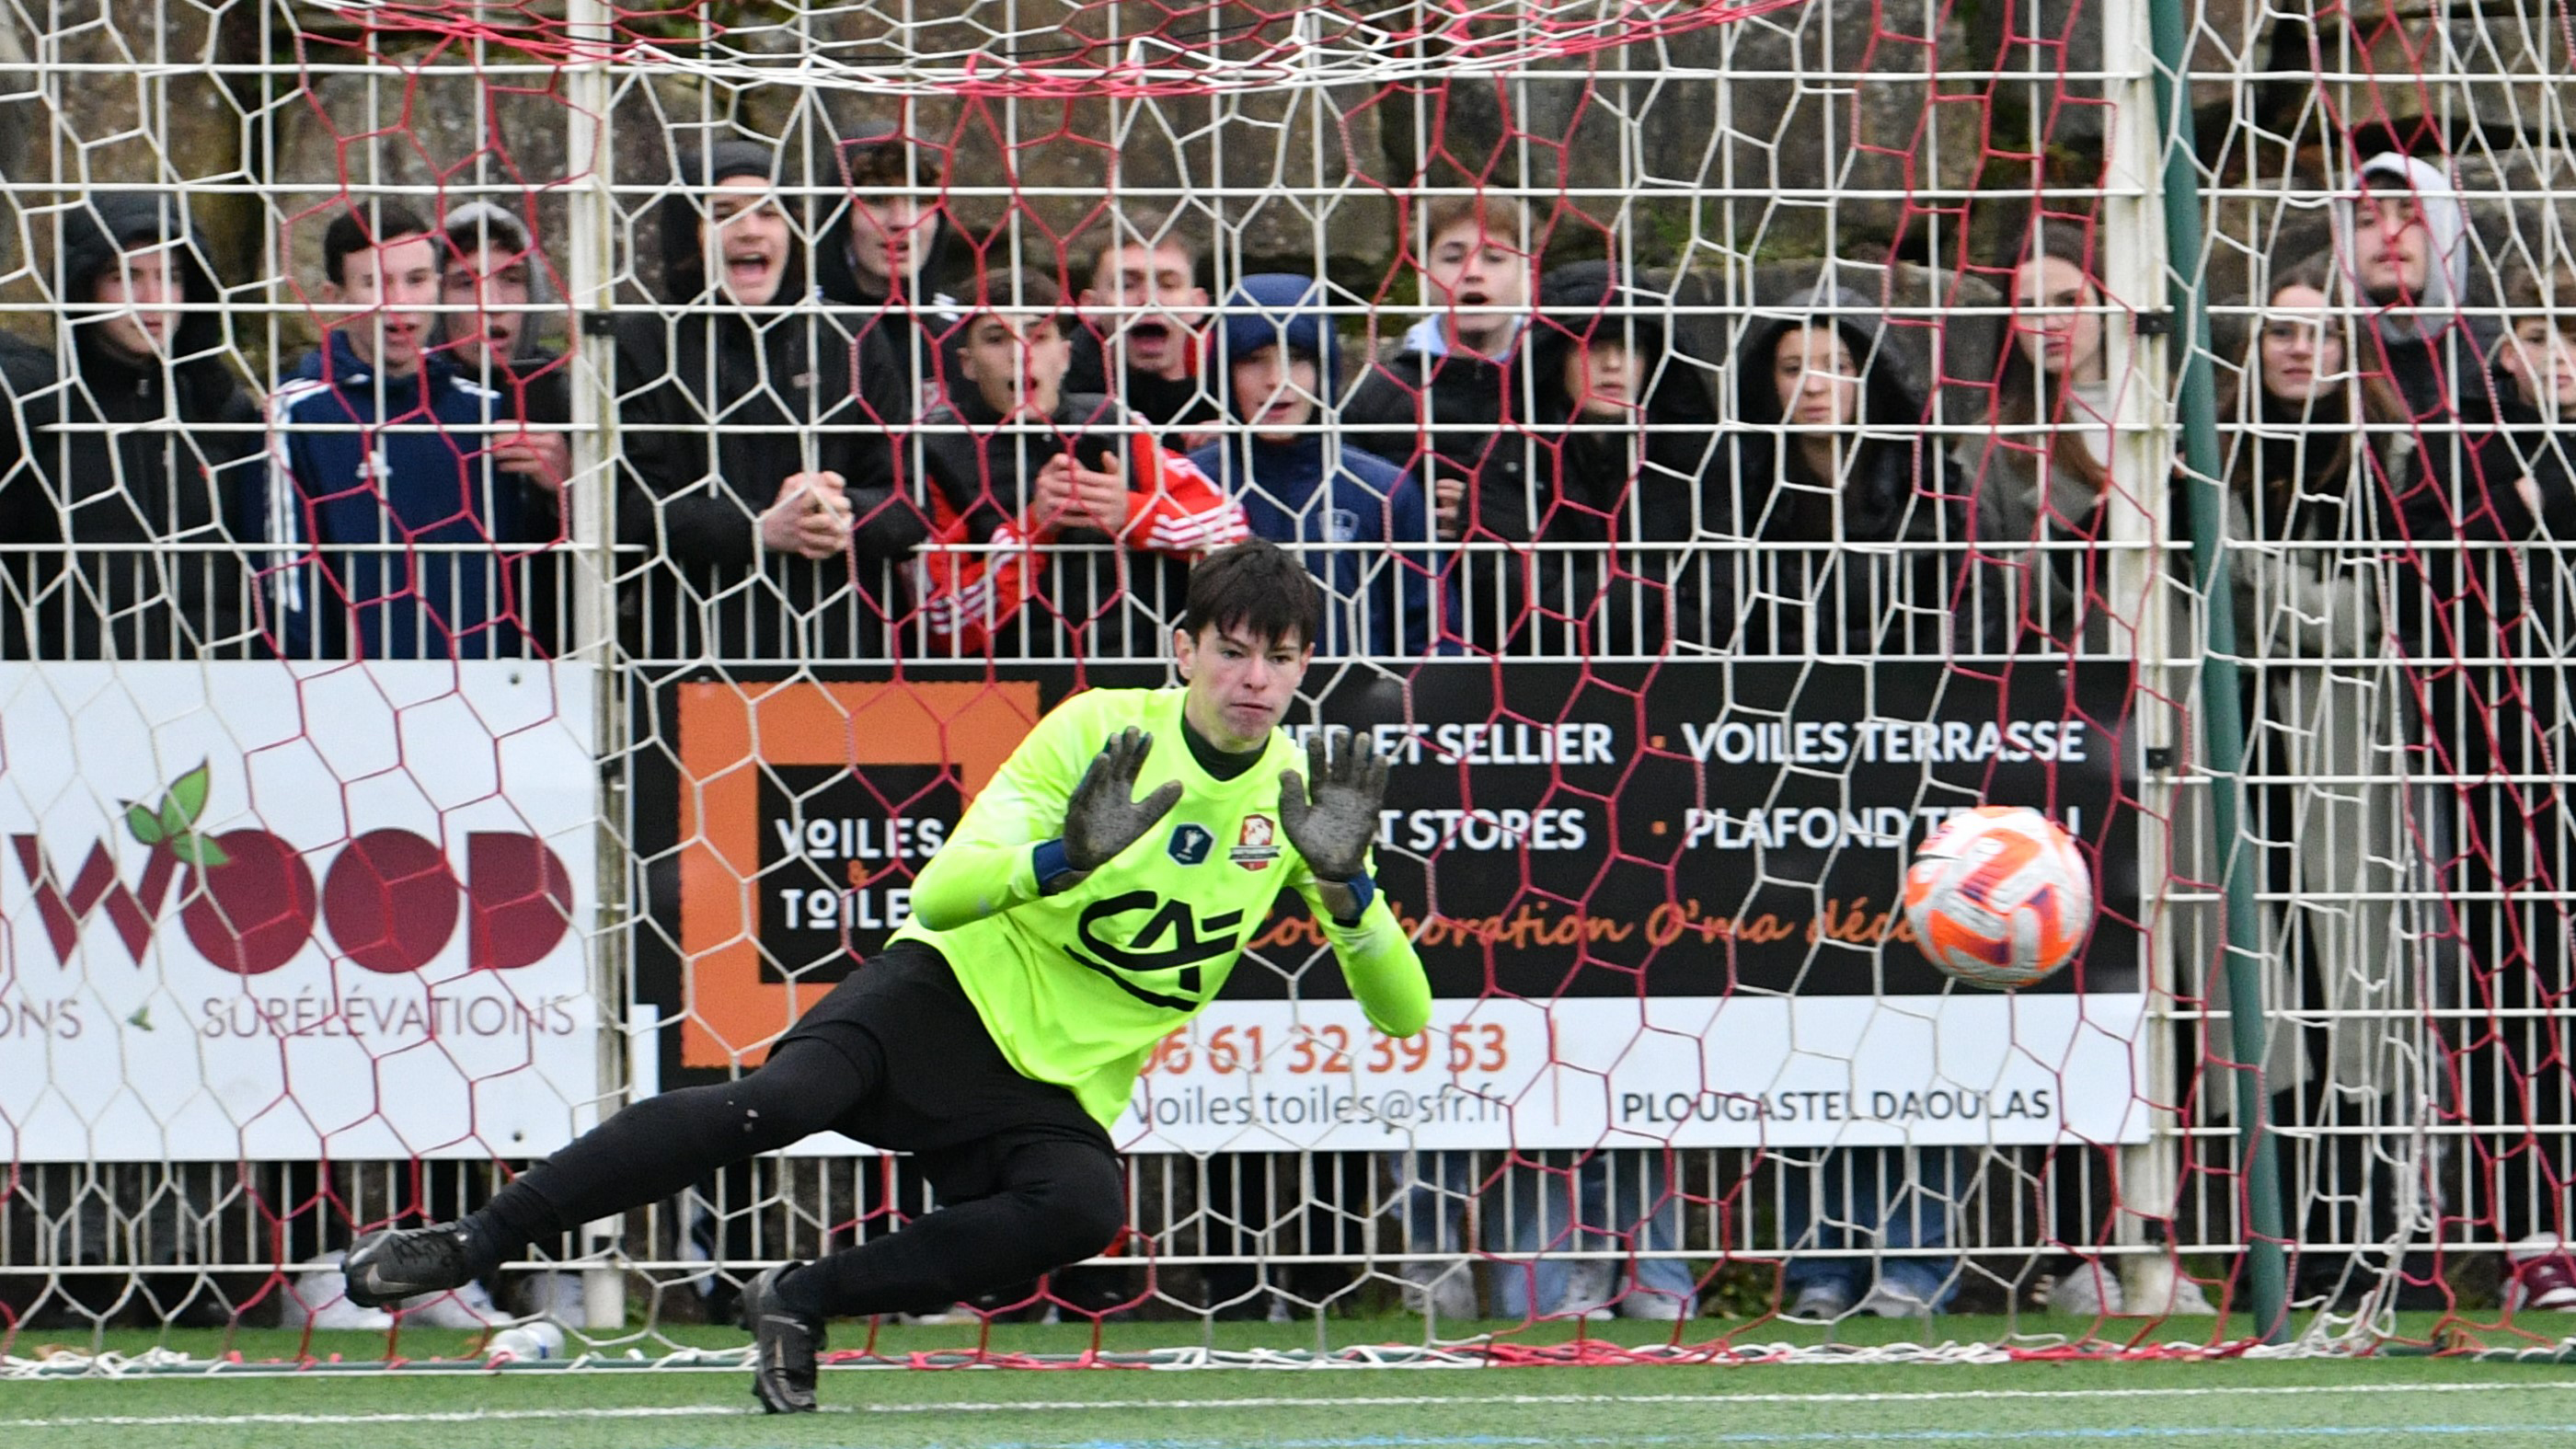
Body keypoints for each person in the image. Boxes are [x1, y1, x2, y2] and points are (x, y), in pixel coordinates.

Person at [338, 538, 1432, 1412]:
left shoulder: (1304, 799)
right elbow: (940, 897)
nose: (1255, 678)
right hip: (944, 997)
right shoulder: (1101, 735)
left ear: (1303, 667)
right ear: (1182, 647)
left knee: (1084, 1207)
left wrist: (1347, 892)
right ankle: (472, 1241)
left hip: (1054, 1085)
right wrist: (1068, 857)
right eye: (1233, 648)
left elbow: (1402, 1016)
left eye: (1280, 657)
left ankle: (802, 1299)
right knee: (778, 1102)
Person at [2217, 256, 2430, 1309]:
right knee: (2271, 1007)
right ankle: (2282, 1239)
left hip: (2348, 764)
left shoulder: (2385, 459)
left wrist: (2257, 581)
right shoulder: (2212, 463)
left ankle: (2373, 1239)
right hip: (2242, 762)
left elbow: (2361, 618)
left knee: (2358, 1003)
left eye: (2321, 334)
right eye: (2280, 334)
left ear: (2351, 351)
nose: (2301, 351)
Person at [615, 138, 921, 661]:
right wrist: (759, 529)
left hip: (843, 646)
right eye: (725, 213)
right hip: (694, 652)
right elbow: (628, 509)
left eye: (770, 212)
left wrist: (842, 514)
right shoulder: (642, 344)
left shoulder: (849, 338)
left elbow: (908, 502)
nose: (750, 229)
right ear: (687, 232)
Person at [264, 201, 554, 660]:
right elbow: (284, 589)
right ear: (334, 297)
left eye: (416, 280)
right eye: (375, 282)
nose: (399, 302)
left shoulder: (484, 411)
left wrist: (566, 488)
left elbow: (530, 577)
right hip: (344, 702)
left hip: (485, 698)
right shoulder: (297, 413)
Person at [911, 268, 1248, 658]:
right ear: (967, 364)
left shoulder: (1115, 425)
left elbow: (1231, 528)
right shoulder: (937, 451)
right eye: (996, 338)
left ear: (1066, 355)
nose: (1021, 353)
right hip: (1005, 695)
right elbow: (942, 624)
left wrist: (1132, 513)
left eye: (1039, 336)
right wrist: (1034, 528)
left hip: (1122, 689)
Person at [0, 192, 261, 660]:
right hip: (65, 699)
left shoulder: (222, 412)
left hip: (215, 699)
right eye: (125, 277)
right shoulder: (36, 411)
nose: (152, 300)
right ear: (84, 287)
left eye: (171, 277)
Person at [1186, 272, 1442, 658]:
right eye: (1254, 360)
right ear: (1223, 372)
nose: (1277, 380)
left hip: (1356, 715)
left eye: (1298, 358)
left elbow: (1433, 638)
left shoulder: (1382, 490)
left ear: (1327, 368)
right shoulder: (1191, 483)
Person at [1341, 195, 1539, 652]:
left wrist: (1490, 512)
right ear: (1423, 274)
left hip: (1539, 638)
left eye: (1495, 257)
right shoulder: (1376, 398)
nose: (1473, 271)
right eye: (1453, 256)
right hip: (1414, 638)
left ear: (1528, 275)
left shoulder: (1552, 389)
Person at [1725, 277, 1959, 657]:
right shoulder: (1743, 497)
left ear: (1871, 373)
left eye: (1837, 365)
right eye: (1792, 368)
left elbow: (1969, 626)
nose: (1814, 386)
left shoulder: (1933, 491)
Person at [1520, 260, 1726, 655]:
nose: (1612, 364)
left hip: (1684, 687)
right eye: (1592, 345)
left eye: (1629, 347)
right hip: (1545, 690)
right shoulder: (1510, 458)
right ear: (1557, 355)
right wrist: (1657, 591)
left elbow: (1721, 606)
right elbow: (1521, 605)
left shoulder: (1701, 459)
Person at [1964, 227, 2119, 654]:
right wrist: (2081, 549)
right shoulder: (1989, 446)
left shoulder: (2179, 417)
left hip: (2177, 681)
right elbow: (1970, 594)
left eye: (2069, 302)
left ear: (2108, 302)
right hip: (2063, 694)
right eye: (2028, 309)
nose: (2050, 324)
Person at [437, 201, 569, 651]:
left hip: (550, 655)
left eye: (511, 280)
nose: (490, 304)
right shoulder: (395, 397)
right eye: (464, 283)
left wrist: (570, 487)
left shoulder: (572, 396)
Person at [812, 121, 966, 415]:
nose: (901, 221)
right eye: (877, 200)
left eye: (920, 200)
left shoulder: (961, 330)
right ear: (839, 216)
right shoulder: (800, 327)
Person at [1066, 208, 1218, 446]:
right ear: (1090, 307)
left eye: (1168, 285)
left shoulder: (1234, 379)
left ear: (1197, 305)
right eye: (1127, 285)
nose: (1149, 299)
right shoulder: (1062, 393)